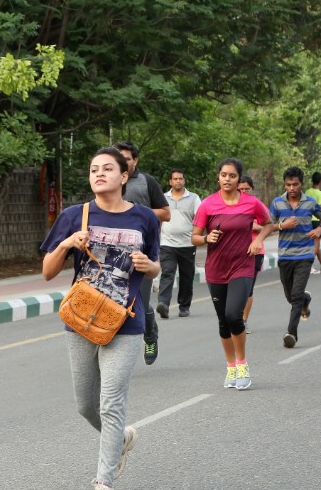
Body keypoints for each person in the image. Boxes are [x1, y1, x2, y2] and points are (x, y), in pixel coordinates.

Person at [40, 146, 160, 490]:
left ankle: (104, 486)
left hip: (125, 321)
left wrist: (147, 265)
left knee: (111, 403)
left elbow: (155, 268)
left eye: (108, 168)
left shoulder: (144, 218)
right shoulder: (74, 215)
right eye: (94, 169)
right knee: (86, 405)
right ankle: (121, 438)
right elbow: (47, 270)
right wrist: (66, 243)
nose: (100, 174)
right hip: (80, 318)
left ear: (125, 176)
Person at [192, 158, 270, 390]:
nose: (227, 179)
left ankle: (243, 364)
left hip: (243, 265)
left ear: (238, 179)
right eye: (224, 175)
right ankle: (231, 367)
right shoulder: (208, 204)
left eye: (232, 176)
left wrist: (257, 240)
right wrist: (206, 238)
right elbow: (194, 237)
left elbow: (268, 223)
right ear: (218, 177)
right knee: (223, 322)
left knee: (233, 314)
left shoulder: (251, 203)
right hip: (216, 268)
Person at [114, 141, 169, 365]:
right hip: (115, 251)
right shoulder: (111, 180)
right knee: (116, 302)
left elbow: (166, 214)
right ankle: (115, 353)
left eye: (127, 158)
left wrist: (138, 212)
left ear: (135, 160)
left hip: (143, 252)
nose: (123, 162)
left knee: (140, 302)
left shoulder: (147, 182)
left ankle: (150, 334)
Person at [263, 166, 321, 348]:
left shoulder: (311, 202)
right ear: (285, 184)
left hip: (305, 255)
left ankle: (291, 333)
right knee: (291, 296)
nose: (292, 188)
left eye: (295, 184)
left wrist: (319, 229)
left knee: (296, 295)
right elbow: (267, 226)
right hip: (285, 256)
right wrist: (283, 225)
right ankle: (305, 301)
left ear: (301, 184)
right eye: (288, 184)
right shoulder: (277, 203)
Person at [157, 169, 201, 319]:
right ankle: (163, 304)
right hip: (167, 243)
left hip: (188, 244)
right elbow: (158, 220)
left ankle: (184, 306)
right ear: (170, 181)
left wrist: (199, 237)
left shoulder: (194, 198)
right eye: (175, 179)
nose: (178, 181)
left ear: (184, 181)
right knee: (167, 273)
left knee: (186, 276)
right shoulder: (163, 198)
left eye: (180, 179)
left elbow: (200, 219)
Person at [237, 175, 265, 333]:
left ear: (252, 190)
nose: (244, 191)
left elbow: (269, 226)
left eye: (247, 189)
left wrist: (255, 226)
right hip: (235, 251)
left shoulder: (257, 205)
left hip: (255, 251)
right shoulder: (231, 205)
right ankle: (233, 317)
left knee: (248, 288)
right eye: (241, 189)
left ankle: (244, 320)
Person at [306, 171, 321, 273]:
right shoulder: (320, 194)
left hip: (308, 220)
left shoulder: (307, 192)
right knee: (316, 244)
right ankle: (309, 265)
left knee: (315, 244)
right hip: (317, 222)